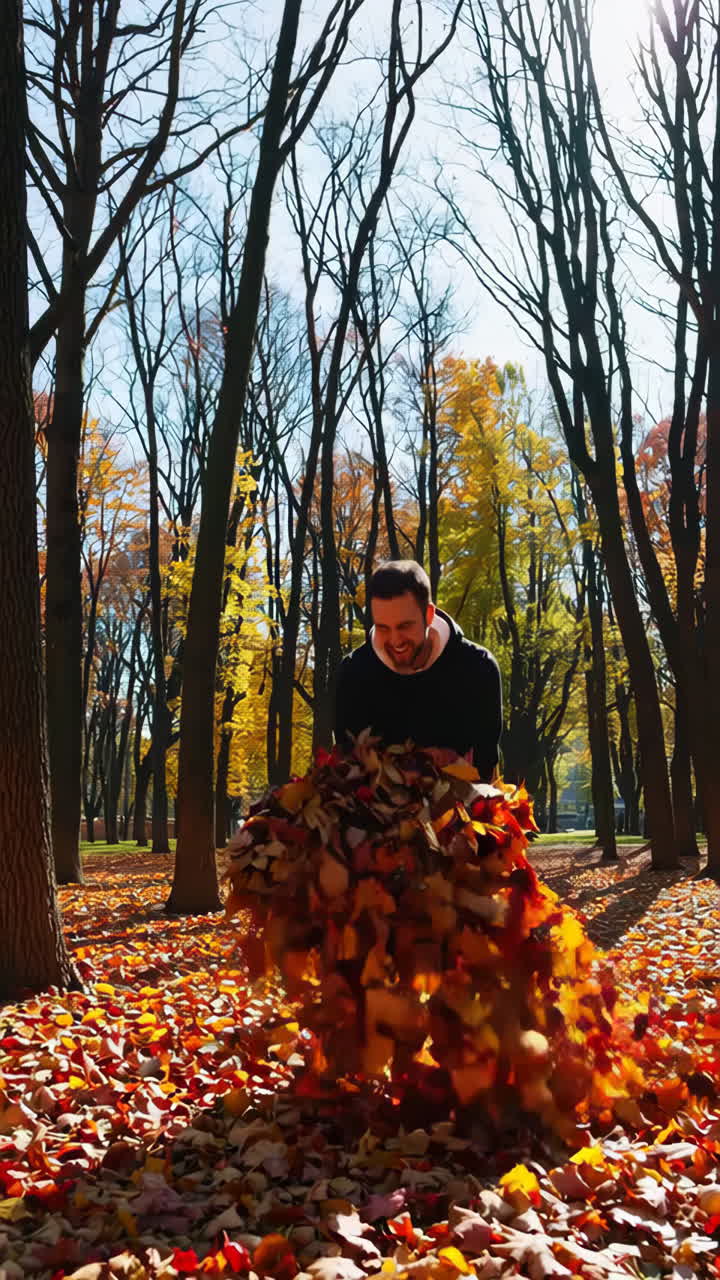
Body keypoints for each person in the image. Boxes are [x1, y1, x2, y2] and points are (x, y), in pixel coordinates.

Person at [334, 560, 502, 781]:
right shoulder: (353, 675)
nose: (395, 640)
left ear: (429, 615)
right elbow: (347, 770)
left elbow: (486, 772)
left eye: (404, 626)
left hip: (462, 807)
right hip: (374, 811)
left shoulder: (477, 668)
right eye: (383, 627)